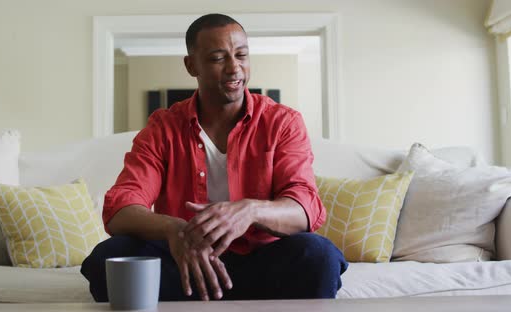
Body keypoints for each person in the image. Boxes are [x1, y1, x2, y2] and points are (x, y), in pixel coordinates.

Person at [81, 13, 347, 302]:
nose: (235, 68)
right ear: (191, 64)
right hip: (185, 263)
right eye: (218, 58)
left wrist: (250, 211)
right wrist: (176, 231)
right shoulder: (163, 127)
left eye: (241, 55)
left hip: (262, 263)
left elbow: (305, 208)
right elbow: (121, 207)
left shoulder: (282, 122)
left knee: (318, 255)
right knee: (109, 257)